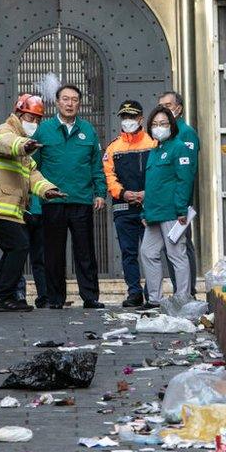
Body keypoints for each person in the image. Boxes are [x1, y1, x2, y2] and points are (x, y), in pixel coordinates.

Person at [0, 94, 65, 311]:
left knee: (15, 249)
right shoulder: (4, 132)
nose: (34, 123)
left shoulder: (25, 150)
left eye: (38, 120)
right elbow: (4, 143)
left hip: (12, 210)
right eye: (31, 117)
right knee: (19, 247)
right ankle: (2, 296)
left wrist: (49, 190)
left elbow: (32, 175)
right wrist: (24, 145)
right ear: (19, 114)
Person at [33, 84, 106, 309]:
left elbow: (96, 164)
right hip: (53, 201)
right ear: (56, 102)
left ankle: (90, 297)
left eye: (74, 99)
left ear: (79, 103)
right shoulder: (44, 130)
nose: (70, 103)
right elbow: (33, 166)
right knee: (53, 253)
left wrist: (100, 192)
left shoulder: (88, 130)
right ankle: (55, 298)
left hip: (82, 199)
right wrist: (37, 196)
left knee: (85, 251)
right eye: (65, 99)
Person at [139, 106, 196, 308]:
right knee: (147, 252)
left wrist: (182, 209)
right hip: (154, 213)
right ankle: (155, 299)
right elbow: (151, 185)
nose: (158, 128)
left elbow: (184, 180)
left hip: (172, 212)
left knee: (176, 255)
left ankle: (183, 299)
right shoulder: (155, 150)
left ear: (171, 125)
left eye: (163, 123)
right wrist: (145, 211)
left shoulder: (179, 147)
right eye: (154, 124)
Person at [103, 100, 157, 307]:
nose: (128, 121)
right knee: (129, 253)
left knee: (150, 253)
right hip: (123, 208)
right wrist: (123, 193)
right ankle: (134, 293)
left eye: (132, 117)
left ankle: (151, 292)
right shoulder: (113, 147)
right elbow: (109, 176)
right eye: (125, 117)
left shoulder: (153, 143)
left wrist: (147, 193)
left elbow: (158, 173)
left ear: (141, 119)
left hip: (148, 207)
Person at [158, 91, 199, 296]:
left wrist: (182, 203)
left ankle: (188, 291)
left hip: (179, 202)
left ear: (178, 108)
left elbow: (187, 171)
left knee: (181, 244)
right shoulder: (163, 135)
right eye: (161, 106)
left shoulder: (186, 133)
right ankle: (178, 290)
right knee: (170, 246)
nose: (164, 109)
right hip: (164, 202)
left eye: (168, 105)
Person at [14, 194, 49, 308]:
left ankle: (42, 296)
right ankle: (20, 294)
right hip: (22, 212)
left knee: (39, 258)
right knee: (19, 257)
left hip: (39, 212)